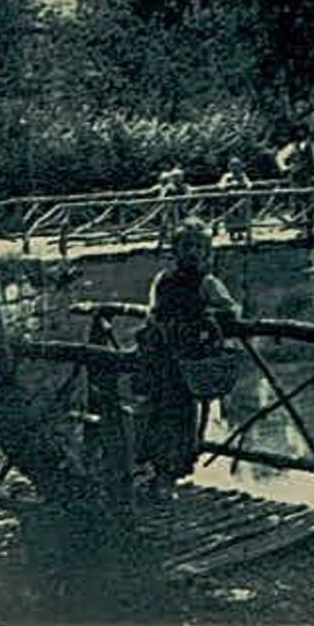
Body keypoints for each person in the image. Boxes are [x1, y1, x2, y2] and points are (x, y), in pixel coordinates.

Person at [135, 221, 240, 496]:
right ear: (176, 251)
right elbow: (153, 312)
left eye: (198, 247)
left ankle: (168, 476)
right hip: (164, 358)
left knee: (179, 417)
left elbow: (229, 312)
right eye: (186, 247)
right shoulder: (164, 280)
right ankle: (158, 472)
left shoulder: (206, 282)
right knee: (157, 413)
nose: (192, 253)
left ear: (206, 253)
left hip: (184, 362)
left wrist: (207, 318)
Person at [217, 157, 253, 242]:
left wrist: (245, 185)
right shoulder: (227, 176)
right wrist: (227, 186)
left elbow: (249, 184)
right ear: (229, 166)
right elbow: (221, 185)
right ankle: (231, 234)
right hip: (230, 200)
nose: (235, 167)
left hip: (241, 199)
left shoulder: (242, 175)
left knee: (242, 216)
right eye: (233, 165)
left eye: (237, 165)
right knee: (230, 217)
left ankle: (241, 233)